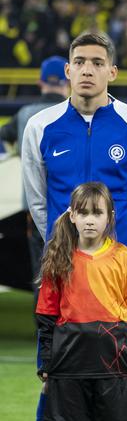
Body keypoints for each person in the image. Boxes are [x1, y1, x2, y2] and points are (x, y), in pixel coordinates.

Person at [22, 32, 127, 421]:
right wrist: (62, 245)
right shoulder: (40, 127)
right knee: (53, 374)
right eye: (81, 62)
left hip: (124, 271)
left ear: (113, 71)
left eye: (98, 63)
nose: (88, 69)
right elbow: (37, 201)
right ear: (68, 70)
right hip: (64, 270)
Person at [35, 182, 127, 421]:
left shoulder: (122, 255)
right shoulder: (57, 255)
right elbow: (46, 316)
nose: (90, 220)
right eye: (83, 213)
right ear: (72, 215)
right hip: (68, 364)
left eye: (97, 213)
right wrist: (46, 361)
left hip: (112, 365)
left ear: (110, 217)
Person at [0, 56, 69, 299]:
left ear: (40, 83)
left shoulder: (25, 114)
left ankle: (45, 332)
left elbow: (3, 136)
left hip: (34, 207)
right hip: (73, 207)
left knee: (42, 273)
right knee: (76, 270)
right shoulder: (77, 112)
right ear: (67, 81)